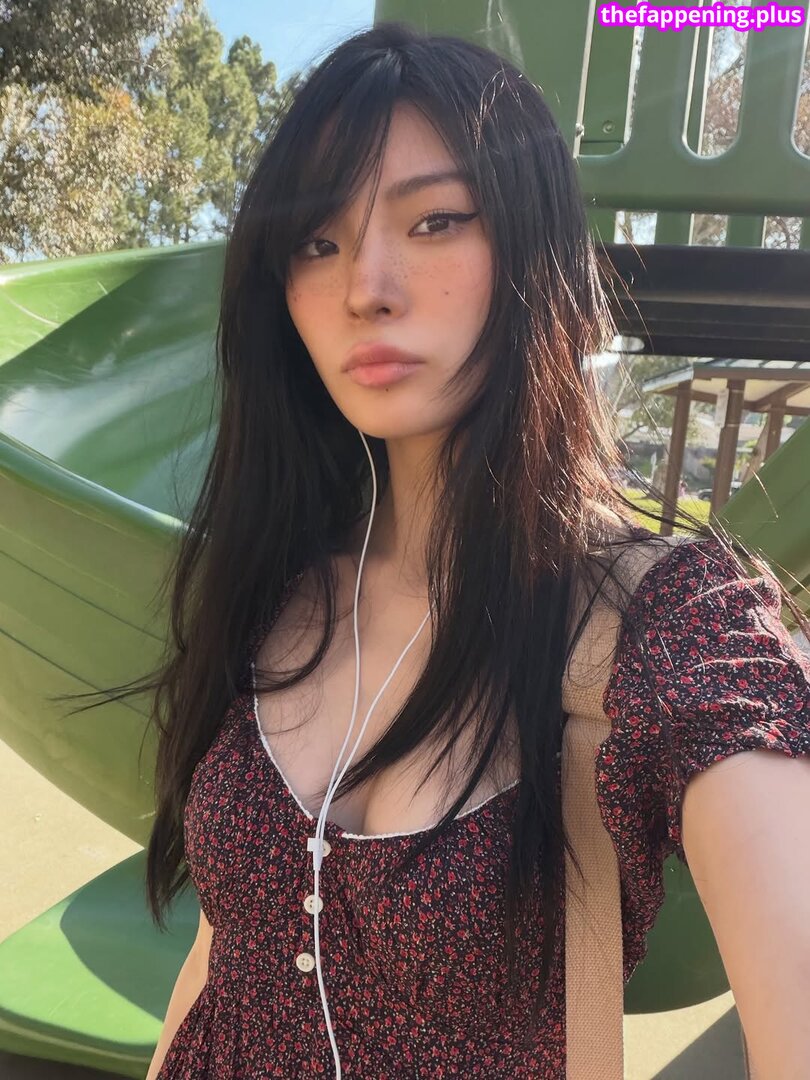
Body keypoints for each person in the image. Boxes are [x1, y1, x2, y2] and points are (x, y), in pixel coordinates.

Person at [129, 22, 810, 1079]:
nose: (366, 286)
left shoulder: (668, 628)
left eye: (436, 220)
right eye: (317, 241)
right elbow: (233, 948)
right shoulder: (274, 587)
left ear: (534, 247)